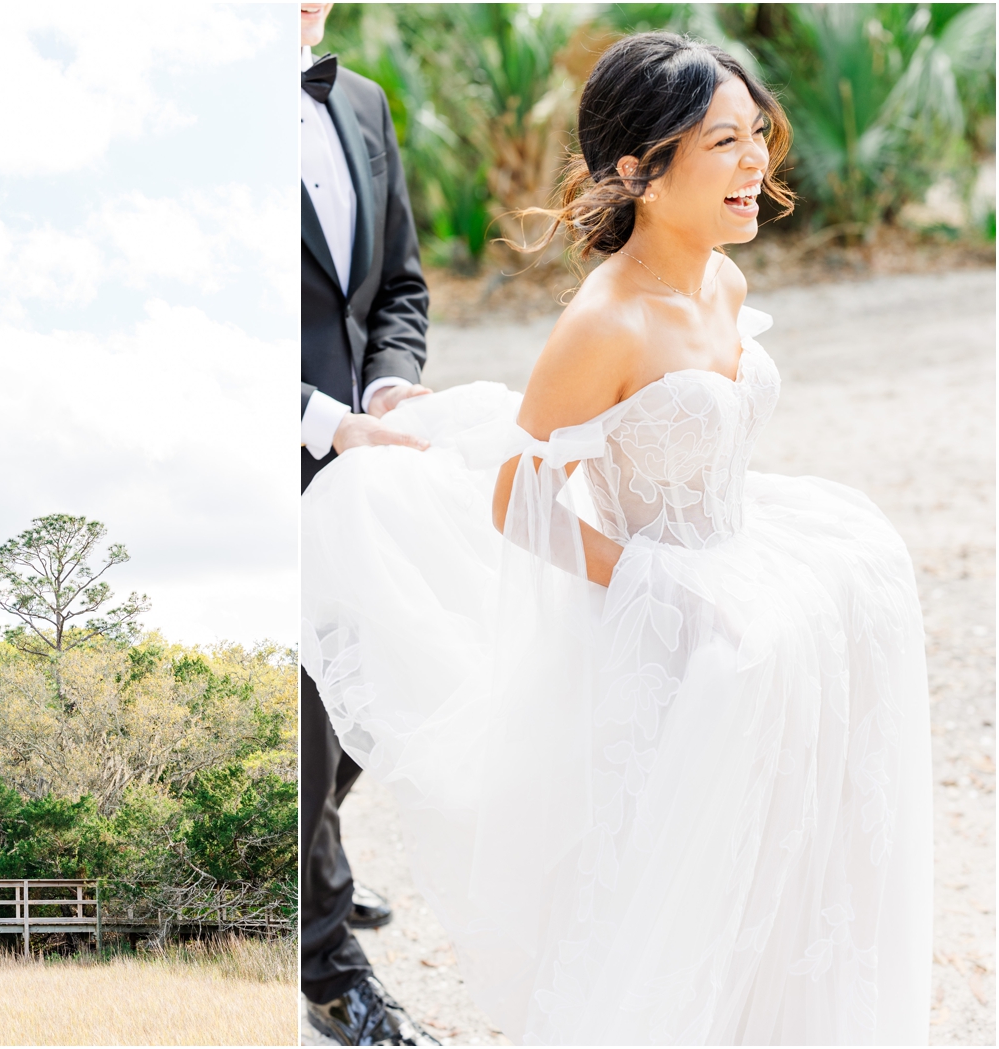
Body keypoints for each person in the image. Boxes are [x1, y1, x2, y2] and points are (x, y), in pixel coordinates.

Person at [301, 31, 932, 1046]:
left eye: (753, 135)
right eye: (721, 141)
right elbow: (517, 494)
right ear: (638, 168)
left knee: (786, 860)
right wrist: (654, 580)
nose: (753, 163)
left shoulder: (721, 283)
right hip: (666, 620)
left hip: (740, 567)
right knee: (674, 902)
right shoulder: (603, 323)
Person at [299, 2, 434, 1044]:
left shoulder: (361, 101)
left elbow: (396, 283)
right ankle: (328, 968)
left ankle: (318, 854)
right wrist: (319, 422)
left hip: (364, 463)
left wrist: (387, 386)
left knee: (367, 694)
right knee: (295, 720)